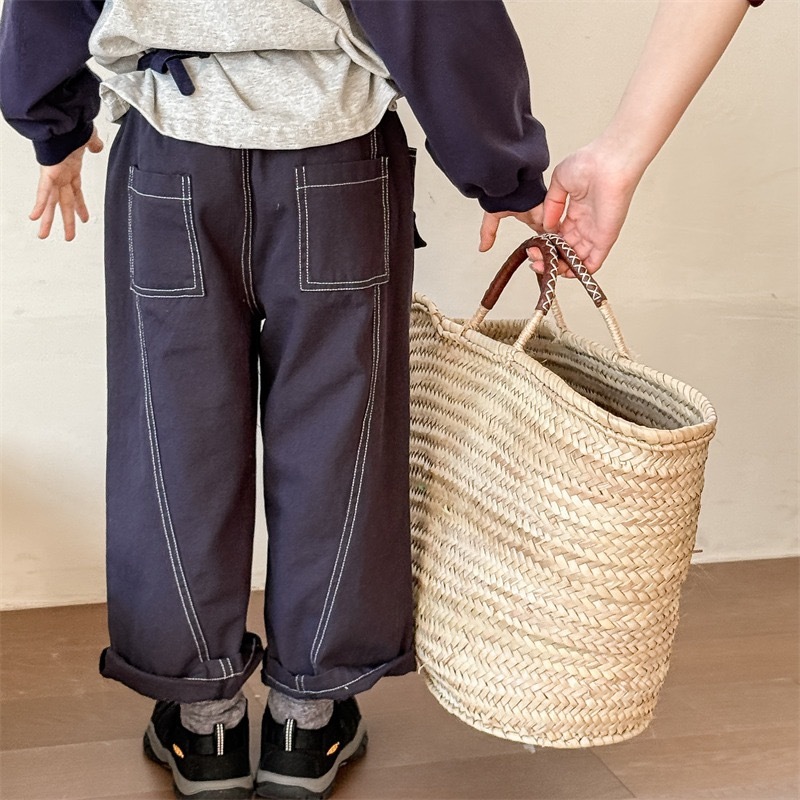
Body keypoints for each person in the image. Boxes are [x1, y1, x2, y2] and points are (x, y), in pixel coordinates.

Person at [0, 1, 764, 798]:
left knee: (172, 442)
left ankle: (205, 727)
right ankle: (306, 719)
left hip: (171, 161)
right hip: (334, 165)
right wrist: (499, 171)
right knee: (341, 440)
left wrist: (53, 124)